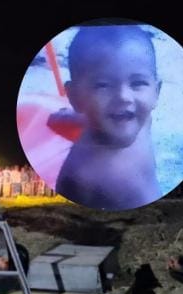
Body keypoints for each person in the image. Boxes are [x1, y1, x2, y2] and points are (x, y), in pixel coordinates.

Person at [55, 25, 162, 210]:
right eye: (103, 85)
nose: (124, 97)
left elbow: (92, 118)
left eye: (137, 83)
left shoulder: (140, 119)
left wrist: (67, 117)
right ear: (74, 97)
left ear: (156, 92)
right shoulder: (87, 177)